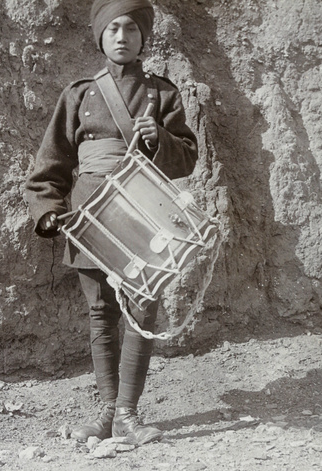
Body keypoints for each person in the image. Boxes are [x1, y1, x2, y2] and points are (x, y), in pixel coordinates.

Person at [25, 0, 198, 446]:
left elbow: (188, 158)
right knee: (101, 311)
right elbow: (53, 161)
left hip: (143, 211)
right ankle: (106, 413)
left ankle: (128, 415)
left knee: (142, 310)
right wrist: (47, 209)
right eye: (113, 29)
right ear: (100, 36)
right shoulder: (79, 93)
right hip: (89, 212)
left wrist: (159, 139)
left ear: (144, 38)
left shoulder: (163, 93)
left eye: (132, 29)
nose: (122, 37)